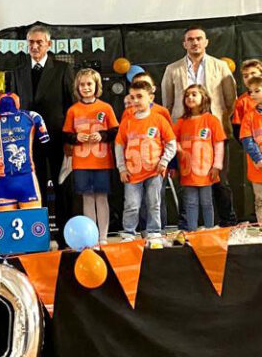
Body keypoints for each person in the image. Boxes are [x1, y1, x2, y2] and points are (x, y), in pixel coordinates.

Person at [161, 25, 237, 227]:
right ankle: (188, 226)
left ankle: (227, 224)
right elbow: (167, 104)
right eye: (190, 39)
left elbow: (231, 101)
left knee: (220, 181)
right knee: (186, 183)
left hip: (215, 133)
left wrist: (215, 120)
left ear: (206, 42)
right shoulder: (172, 69)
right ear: (184, 43)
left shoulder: (221, 66)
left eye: (199, 38)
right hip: (184, 136)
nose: (195, 42)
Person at [11, 25, 74, 245]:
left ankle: (66, 237)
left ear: (49, 44)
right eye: (31, 42)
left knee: (62, 185)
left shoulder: (63, 69)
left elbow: (71, 106)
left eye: (39, 42)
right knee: (33, 188)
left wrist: (69, 138)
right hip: (27, 142)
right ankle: (37, 236)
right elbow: (13, 109)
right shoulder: (17, 72)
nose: (35, 46)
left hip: (57, 138)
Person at [116, 81, 177, 243]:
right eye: (132, 97)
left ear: (150, 98)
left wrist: (164, 161)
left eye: (139, 96)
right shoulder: (127, 121)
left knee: (154, 203)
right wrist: (122, 168)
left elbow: (171, 143)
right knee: (131, 205)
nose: (135, 100)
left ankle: (154, 231)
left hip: (153, 172)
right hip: (132, 173)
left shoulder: (158, 119)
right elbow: (119, 145)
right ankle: (129, 233)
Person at [63, 69, 119, 244]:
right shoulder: (73, 110)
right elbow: (66, 134)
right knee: (87, 198)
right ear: (77, 87)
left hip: (102, 162)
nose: (86, 88)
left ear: (97, 86)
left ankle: (103, 237)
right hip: (81, 163)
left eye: (89, 84)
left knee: (101, 198)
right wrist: (76, 137)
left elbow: (115, 131)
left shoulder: (105, 108)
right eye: (82, 84)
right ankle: (92, 237)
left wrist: (102, 135)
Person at [0, 93, 49, 210]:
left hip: (5, 182)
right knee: (32, 219)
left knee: (7, 220)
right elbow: (44, 139)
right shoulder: (32, 116)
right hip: (25, 180)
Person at [174, 85, 226, 232]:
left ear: (204, 98)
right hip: (188, 170)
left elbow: (218, 143)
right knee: (190, 203)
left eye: (194, 94)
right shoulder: (181, 121)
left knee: (206, 202)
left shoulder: (211, 120)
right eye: (187, 95)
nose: (190, 97)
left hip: (206, 171)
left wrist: (217, 166)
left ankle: (208, 231)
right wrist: (178, 148)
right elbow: (172, 139)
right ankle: (192, 231)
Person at [239, 76, 262, 225]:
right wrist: (258, 159)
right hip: (258, 169)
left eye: (257, 91)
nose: (252, 94)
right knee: (260, 199)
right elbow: (247, 140)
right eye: (250, 91)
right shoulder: (249, 116)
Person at [233, 59, 262, 141]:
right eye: (246, 76)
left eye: (253, 73)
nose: (249, 77)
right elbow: (237, 128)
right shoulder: (242, 101)